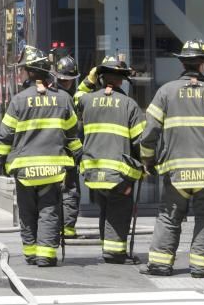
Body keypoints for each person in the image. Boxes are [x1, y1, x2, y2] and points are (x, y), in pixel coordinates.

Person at [140, 39, 204, 278]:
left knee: (169, 216)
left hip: (178, 172)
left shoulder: (165, 92)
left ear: (182, 63)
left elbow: (150, 130)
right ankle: (201, 267)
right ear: (203, 66)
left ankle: (160, 265)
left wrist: (148, 160)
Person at [0, 46, 81, 267]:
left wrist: (1, 163)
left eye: (23, 69)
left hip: (24, 170)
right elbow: (72, 135)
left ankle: (31, 253)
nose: (22, 73)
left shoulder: (18, 100)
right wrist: (76, 159)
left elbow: (5, 136)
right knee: (49, 210)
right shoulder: (63, 99)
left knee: (27, 211)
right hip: (53, 169)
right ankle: (46, 255)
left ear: (29, 71)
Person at [79, 56, 144, 264]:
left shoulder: (87, 100)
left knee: (105, 209)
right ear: (121, 80)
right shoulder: (129, 105)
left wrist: (88, 81)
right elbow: (140, 142)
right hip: (119, 174)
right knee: (118, 210)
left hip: (94, 172)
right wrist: (146, 164)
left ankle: (108, 247)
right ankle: (114, 253)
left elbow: (75, 97)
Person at [51, 54, 82, 239]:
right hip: (66, 154)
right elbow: (73, 130)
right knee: (69, 191)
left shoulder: (50, 94)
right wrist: (79, 154)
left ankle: (54, 227)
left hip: (49, 153)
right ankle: (68, 229)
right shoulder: (66, 99)